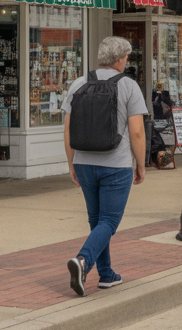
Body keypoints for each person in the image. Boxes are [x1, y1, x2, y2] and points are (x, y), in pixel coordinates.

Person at [63, 36, 147, 297]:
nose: (126, 62)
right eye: (127, 57)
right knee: (109, 221)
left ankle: (107, 274)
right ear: (120, 59)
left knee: (97, 221)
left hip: (84, 162)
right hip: (116, 165)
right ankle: (82, 261)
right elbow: (137, 132)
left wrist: (71, 163)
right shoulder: (129, 86)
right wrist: (141, 165)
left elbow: (68, 129)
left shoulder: (79, 84)